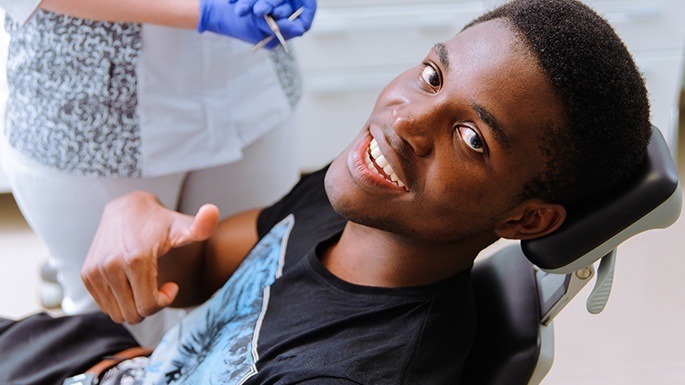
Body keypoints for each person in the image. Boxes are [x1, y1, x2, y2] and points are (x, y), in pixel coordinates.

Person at [0, 0, 652, 384]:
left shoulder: (346, 370)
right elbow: (201, 267)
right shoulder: (351, 204)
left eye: (471, 138)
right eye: (430, 75)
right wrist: (139, 218)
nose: (402, 121)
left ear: (526, 216)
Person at [0, 0, 316, 346]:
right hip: (95, 116)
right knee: (124, 329)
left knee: (249, 299)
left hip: (251, 90)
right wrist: (202, 12)